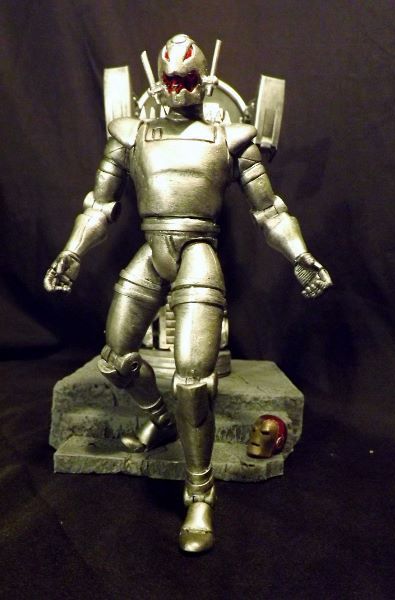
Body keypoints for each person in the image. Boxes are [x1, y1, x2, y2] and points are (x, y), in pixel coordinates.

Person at [44, 33, 332, 553]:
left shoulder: (232, 138)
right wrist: (72, 252)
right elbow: (100, 206)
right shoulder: (130, 133)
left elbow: (270, 211)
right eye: (171, 82)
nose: (178, 90)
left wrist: (300, 255)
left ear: (204, 81)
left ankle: (200, 494)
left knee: (194, 382)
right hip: (151, 250)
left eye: (187, 81)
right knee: (115, 359)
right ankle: (162, 421)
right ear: (160, 81)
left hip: (199, 251)